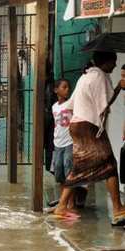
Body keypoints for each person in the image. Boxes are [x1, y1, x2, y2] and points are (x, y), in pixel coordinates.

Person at [55, 51, 125, 224]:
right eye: (113, 62)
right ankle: (118, 209)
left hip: (76, 125)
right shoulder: (100, 76)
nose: (115, 66)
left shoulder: (84, 77)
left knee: (79, 167)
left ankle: (61, 206)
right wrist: (117, 88)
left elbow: (70, 105)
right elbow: (104, 105)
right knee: (109, 164)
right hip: (88, 127)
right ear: (105, 62)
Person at [51, 79, 76, 214]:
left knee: (69, 171)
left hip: (70, 142)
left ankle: (70, 203)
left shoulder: (71, 103)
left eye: (68, 87)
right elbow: (57, 124)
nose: (67, 89)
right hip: (58, 143)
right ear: (56, 90)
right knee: (59, 173)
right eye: (64, 87)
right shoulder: (54, 107)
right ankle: (64, 201)